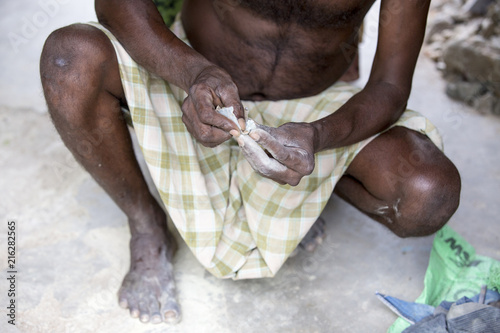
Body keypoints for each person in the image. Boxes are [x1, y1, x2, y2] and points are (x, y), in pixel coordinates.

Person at [39, 0, 461, 325]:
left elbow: (389, 84)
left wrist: (320, 135)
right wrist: (192, 73)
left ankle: (312, 183)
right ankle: (145, 223)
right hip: (191, 78)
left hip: (319, 104)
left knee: (428, 196)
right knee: (70, 59)